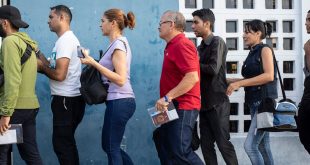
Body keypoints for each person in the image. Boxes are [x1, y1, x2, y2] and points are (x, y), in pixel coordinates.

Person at [79, 8, 136, 165]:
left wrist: (93, 63)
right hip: (118, 101)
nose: (100, 25)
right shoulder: (115, 44)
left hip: (121, 100)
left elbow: (120, 79)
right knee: (110, 146)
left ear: (113, 23)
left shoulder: (118, 45)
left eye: (102, 21)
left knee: (111, 147)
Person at [154, 10, 204, 165]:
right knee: (160, 139)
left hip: (183, 106)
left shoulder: (182, 44)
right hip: (169, 107)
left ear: (172, 25)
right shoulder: (171, 46)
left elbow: (192, 77)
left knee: (181, 150)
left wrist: (168, 97)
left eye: (161, 23)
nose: (158, 27)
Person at [37, 5, 85, 165]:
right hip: (69, 101)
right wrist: (37, 53)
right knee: (66, 144)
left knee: (62, 146)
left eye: (51, 17)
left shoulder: (66, 41)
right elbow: (52, 66)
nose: (48, 21)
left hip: (66, 101)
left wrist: (41, 68)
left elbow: (59, 74)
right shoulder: (65, 40)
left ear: (62, 18)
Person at [226, 19, 276, 165]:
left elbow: (269, 75)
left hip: (263, 105)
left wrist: (240, 83)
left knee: (250, 146)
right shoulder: (252, 52)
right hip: (255, 104)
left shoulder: (265, 49)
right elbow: (252, 79)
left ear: (258, 33)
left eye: (247, 32)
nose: (243, 35)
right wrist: (230, 80)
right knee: (263, 146)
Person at [192, 8, 238, 165]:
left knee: (223, 144)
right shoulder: (200, 47)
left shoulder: (217, 41)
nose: (192, 26)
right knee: (206, 146)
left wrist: (194, 63)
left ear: (207, 23)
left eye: (195, 22)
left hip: (218, 103)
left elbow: (212, 69)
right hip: (203, 105)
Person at [0, 5, 43, 164]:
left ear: (4, 23)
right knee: (30, 153)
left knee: (1, 153)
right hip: (30, 107)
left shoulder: (10, 42)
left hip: (15, 107)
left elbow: (12, 79)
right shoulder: (27, 43)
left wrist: (6, 113)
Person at [298, 10, 310, 154]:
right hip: (308, 91)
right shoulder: (307, 45)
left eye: (309, 19)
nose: (306, 23)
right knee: (304, 134)